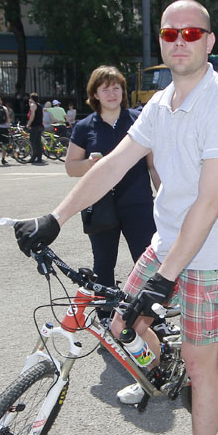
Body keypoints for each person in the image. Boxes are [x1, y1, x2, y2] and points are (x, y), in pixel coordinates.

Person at [14, 0, 218, 435]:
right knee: (123, 319)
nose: (180, 41)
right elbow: (110, 167)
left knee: (200, 362)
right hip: (168, 241)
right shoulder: (159, 105)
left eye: (192, 33)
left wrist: (164, 280)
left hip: (211, 252)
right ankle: (159, 365)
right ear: (162, 43)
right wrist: (54, 219)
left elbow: (209, 204)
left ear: (209, 42)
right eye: (170, 33)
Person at [65, 65, 158, 289]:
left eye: (116, 88)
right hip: (99, 205)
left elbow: (153, 165)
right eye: (105, 89)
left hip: (138, 203)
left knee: (146, 261)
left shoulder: (140, 120)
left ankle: (151, 317)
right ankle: (106, 316)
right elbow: (71, 167)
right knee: (104, 264)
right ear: (95, 94)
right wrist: (89, 164)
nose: (112, 94)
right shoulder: (84, 127)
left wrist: (165, 195)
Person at [25, 93, 44, 164]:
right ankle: (39, 157)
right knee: (38, 142)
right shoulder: (40, 106)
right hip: (40, 125)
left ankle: (32, 157)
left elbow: (32, 116)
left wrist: (28, 124)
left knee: (32, 141)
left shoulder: (33, 105)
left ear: (32, 98)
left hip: (35, 126)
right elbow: (43, 115)